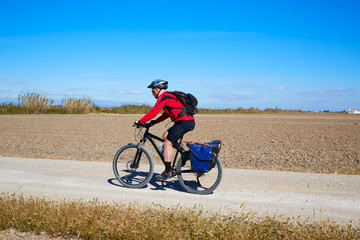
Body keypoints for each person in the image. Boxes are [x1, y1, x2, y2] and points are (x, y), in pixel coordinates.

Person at [134, 79, 195, 181]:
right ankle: (184, 154)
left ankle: (167, 171)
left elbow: (154, 111)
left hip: (183, 122)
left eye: (152, 90)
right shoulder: (169, 96)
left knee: (167, 143)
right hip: (185, 121)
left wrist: (140, 121)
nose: (152, 93)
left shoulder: (164, 96)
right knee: (166, 135)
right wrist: (154, 122)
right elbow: (166, 114)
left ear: (157, 89)